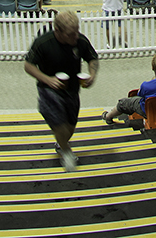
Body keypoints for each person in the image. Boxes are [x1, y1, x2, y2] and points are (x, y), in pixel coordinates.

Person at [23, 11, 99, 172]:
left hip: (72, 90)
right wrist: (47, 79)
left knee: (71, 124)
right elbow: (28, 66)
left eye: (76, 32)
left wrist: (92, 74)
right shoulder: (43, 42)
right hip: (48, 91)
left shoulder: (80, 41)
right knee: (59, 124)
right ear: (57, 30)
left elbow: (92, 58)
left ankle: (61, 143)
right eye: (70, 34)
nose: (75, 37)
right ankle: (66, 151)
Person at [103, 54, 156, 124]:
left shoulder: (146, 85)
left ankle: (108, 116)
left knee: (124, 103)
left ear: (152, 68)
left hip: (149, 111)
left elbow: (140, 94)